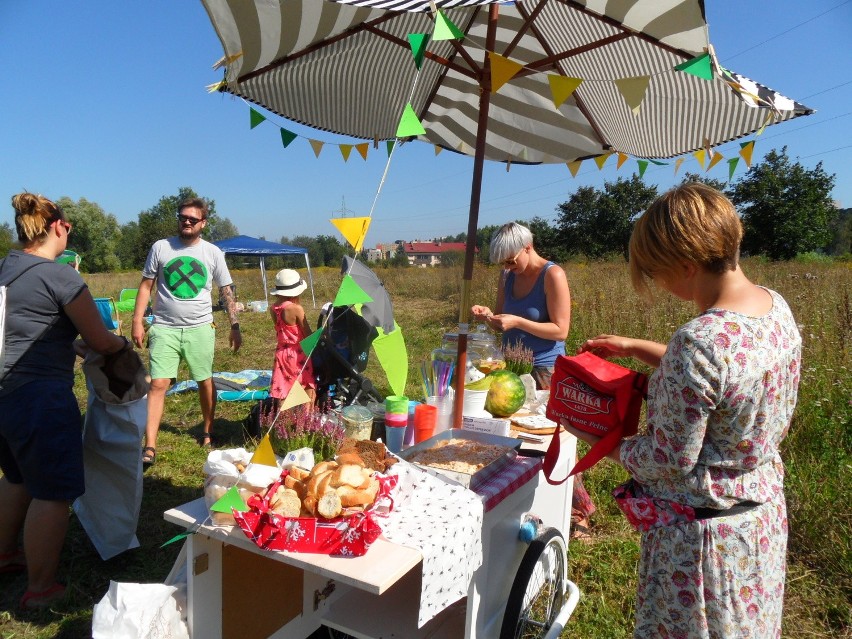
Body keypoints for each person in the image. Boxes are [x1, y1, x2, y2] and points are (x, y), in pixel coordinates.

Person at [569, 183, 801, 638]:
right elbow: (725, 377)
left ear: (686, 266)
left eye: (655, 272)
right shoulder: (773, 307)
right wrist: (637, 348)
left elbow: (667, 461)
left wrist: (597, 441)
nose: (656, 283)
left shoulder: (698, 341)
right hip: (759, 521)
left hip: (703, 543)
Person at [0, 192, 131, 610]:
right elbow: (101, 339)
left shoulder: (5, 267)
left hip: (3, 393)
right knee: (53, 492)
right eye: (69, 226)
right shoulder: (61, 277)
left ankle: (5, 555)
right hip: (38, 395)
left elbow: (24, 324)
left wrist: (62, 342)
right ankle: (40, 589)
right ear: (58, 227)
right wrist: (121, 341)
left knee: (17, 476)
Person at [471, 221, 596, 540]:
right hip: (512, 367)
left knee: (551, 439)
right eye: (503, 263)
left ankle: (579, 510)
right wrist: (490, 317)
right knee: (514, 434)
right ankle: (528, 499)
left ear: (528, 246)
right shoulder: (507, 275)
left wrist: (519, 322)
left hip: (545, 369)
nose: (508, 267)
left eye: (511, 260)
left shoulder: (552, 274)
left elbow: (561, 330)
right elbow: (504, 322)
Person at [131, 198, 241, 465]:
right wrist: (137, 320)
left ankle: (207, 430)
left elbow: (226, 289)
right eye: (183, 217)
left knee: (205, 380)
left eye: (193, 219)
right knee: (158, 383)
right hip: (164, 328)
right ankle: (150, 445)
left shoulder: (213, 253)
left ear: (203, 223)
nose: (187, 222)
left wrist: (234, 325)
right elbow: (146, 286)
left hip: (200, 328)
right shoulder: (161, 247)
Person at [268, 269, 316, 405]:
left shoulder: (273, 308)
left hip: (281, 352)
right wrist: (321, 334)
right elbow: (307, 334)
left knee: (284, 389)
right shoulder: (296, 309)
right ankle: (306, 419)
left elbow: (281, 331)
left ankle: (282, 421)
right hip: (298, 353)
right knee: (307, 385)